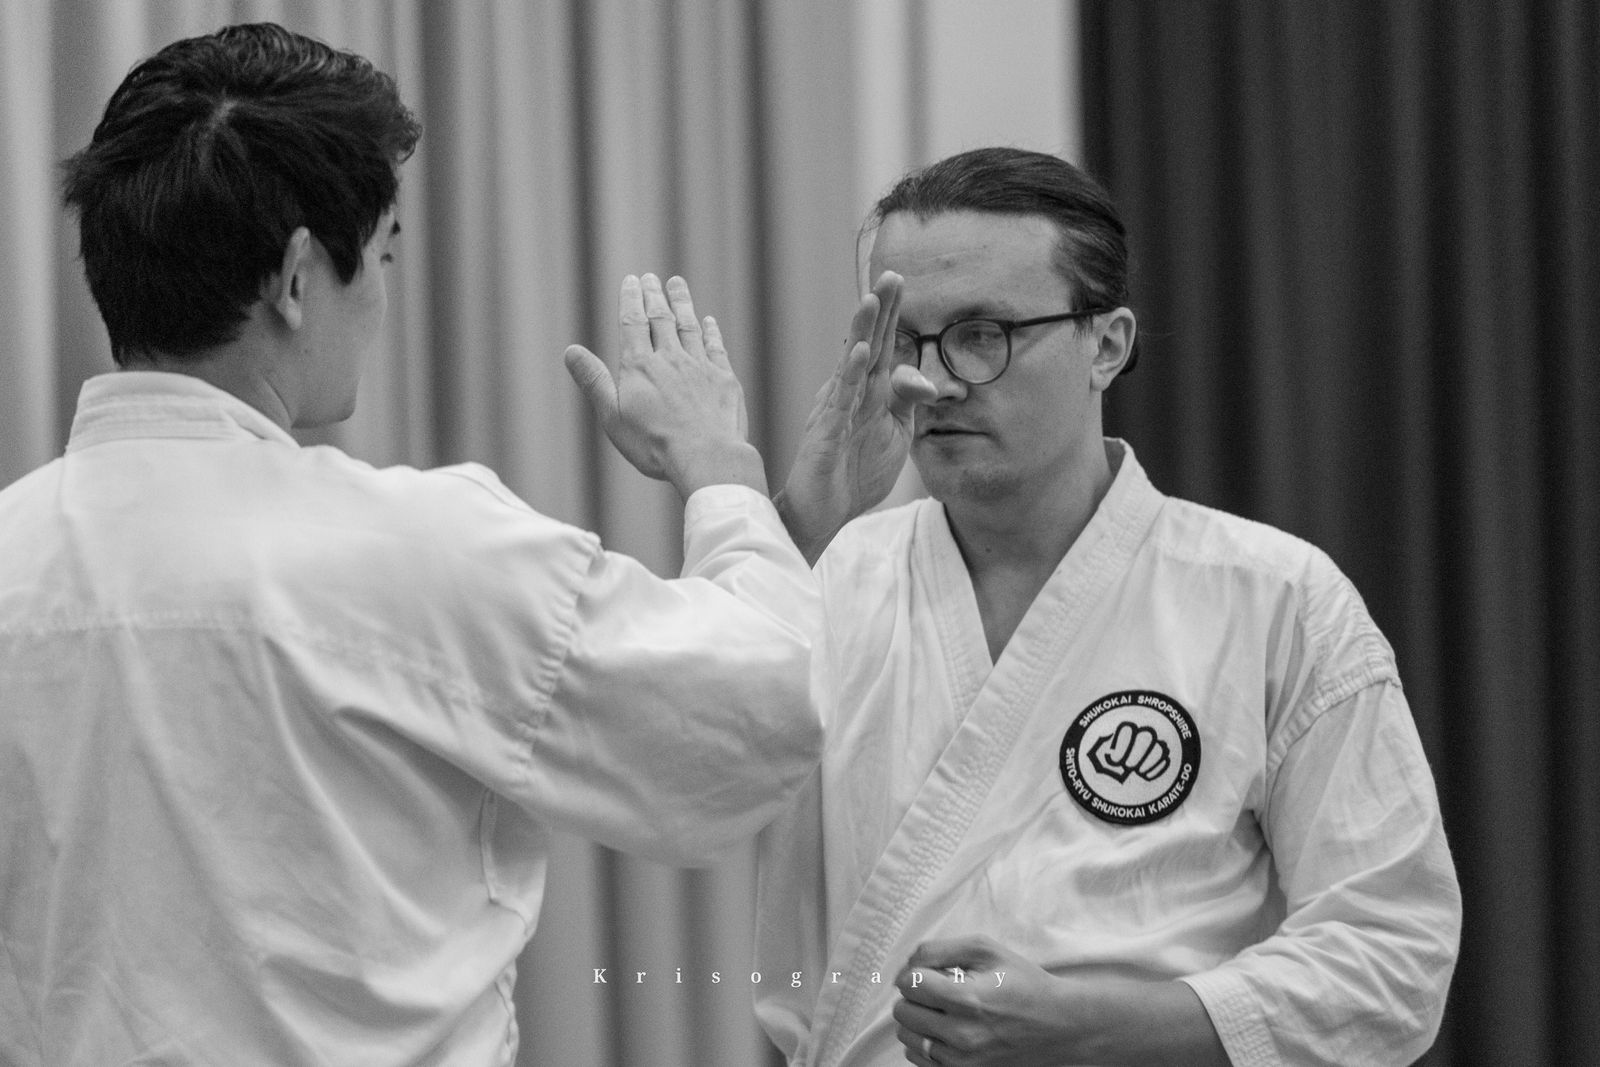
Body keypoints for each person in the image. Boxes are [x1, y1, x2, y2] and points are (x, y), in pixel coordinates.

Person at [0, 23, 826, 1066]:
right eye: (382, 253)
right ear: (299, 277)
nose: (384, 295)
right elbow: (762, 709)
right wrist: (721, 470)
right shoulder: (422, 547)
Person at [754, 147, 1461, 1067]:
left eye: (982, 334)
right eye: (905, 341)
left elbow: (1394, 956)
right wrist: (794, 524)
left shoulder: (1275, 600)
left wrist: (1090, 1025)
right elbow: (661, 766)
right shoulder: (824, 577)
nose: (935, 381)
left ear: (1108, 344)